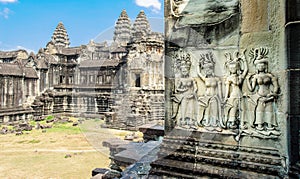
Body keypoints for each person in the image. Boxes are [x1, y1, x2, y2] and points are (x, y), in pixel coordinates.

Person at [247, 48, 279, 131]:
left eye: (262, 64)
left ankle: (269, 126)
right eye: (259, 65)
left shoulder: (270, 76)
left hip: (269, 97)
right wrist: (247, 80)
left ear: (265, 66)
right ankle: (259, 126)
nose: (261, 66)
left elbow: (276, 86)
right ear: (256, 67)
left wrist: (273, 94)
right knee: (259, 113)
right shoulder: (256, 77)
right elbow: (251, 89)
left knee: (269, 114)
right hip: (259, 97)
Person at [197, 52, 223, 131]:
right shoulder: (206, 79)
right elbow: (198, 73)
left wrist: (221, 100)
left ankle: (215, 124)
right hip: (206, 98)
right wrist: (198, 63)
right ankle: (207, 124)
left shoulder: (217, 79)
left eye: (210, 68)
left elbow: (220, 90)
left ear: (212, 69)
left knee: (214, 111)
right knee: (207, 112)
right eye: (206, 69)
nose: (208, 70)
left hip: (214, 97)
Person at [171, 49, 198, 128]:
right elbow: (177, 89)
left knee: (191, 110)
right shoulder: (181, 80)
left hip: (191, 96)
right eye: (183, 71)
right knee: (184, 110)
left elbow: (195, 87)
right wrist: (184, 90)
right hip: (184, 96)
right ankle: (183, 123)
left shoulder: (192, 79)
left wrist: (194, 92)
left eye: (186, 70)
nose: (184, 71)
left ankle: (190, 123)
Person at [223, 51, 248, 129]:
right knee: (233, 110)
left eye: (234, 67)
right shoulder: (229, 78)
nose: (232, 69)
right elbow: (227, 90)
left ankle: (242, 123)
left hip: (240, 94)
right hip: (233, 95)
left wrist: (244, 59)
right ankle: (232, 122)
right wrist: (225, 99)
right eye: (231, 68)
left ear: (237, 67)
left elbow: (246, 70)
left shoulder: (240, 77)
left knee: (242, 110)